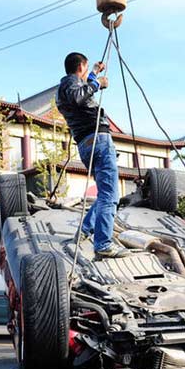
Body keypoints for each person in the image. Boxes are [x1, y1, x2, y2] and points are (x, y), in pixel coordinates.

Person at [56, 51, 129, 259]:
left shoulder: (64, 88)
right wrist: (99, 84)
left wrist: (95, 74)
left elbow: (80, 91)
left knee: (106, 191)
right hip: (98, 141)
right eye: (86, 69)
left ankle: (86, 230)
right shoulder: (70, 86)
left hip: (86, 145)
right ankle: (103, 244)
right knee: (110, 195)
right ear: (80, 67)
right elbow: (80, 95)